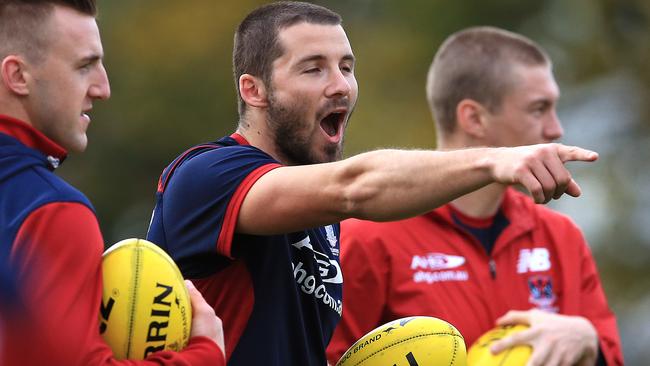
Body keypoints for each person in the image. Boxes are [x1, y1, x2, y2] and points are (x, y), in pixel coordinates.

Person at [146, 3, 598, 366]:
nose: (340, 85)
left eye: (346, 66)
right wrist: (497, 159)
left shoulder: (319, 214)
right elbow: (355, 186)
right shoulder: (207, 176)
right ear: (254, 90)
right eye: (313, 69)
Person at [326, 27, 623, 366]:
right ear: (474, 118)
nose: (556, 128)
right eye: (539, 109)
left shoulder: (560, 236)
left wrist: (588, 341)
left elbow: (612, 355)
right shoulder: (369, 236)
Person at [0, 0, 225, 364]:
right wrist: (205, 353)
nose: (102, 88)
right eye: (84, 66)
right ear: (18, 76)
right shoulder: (53, 212)